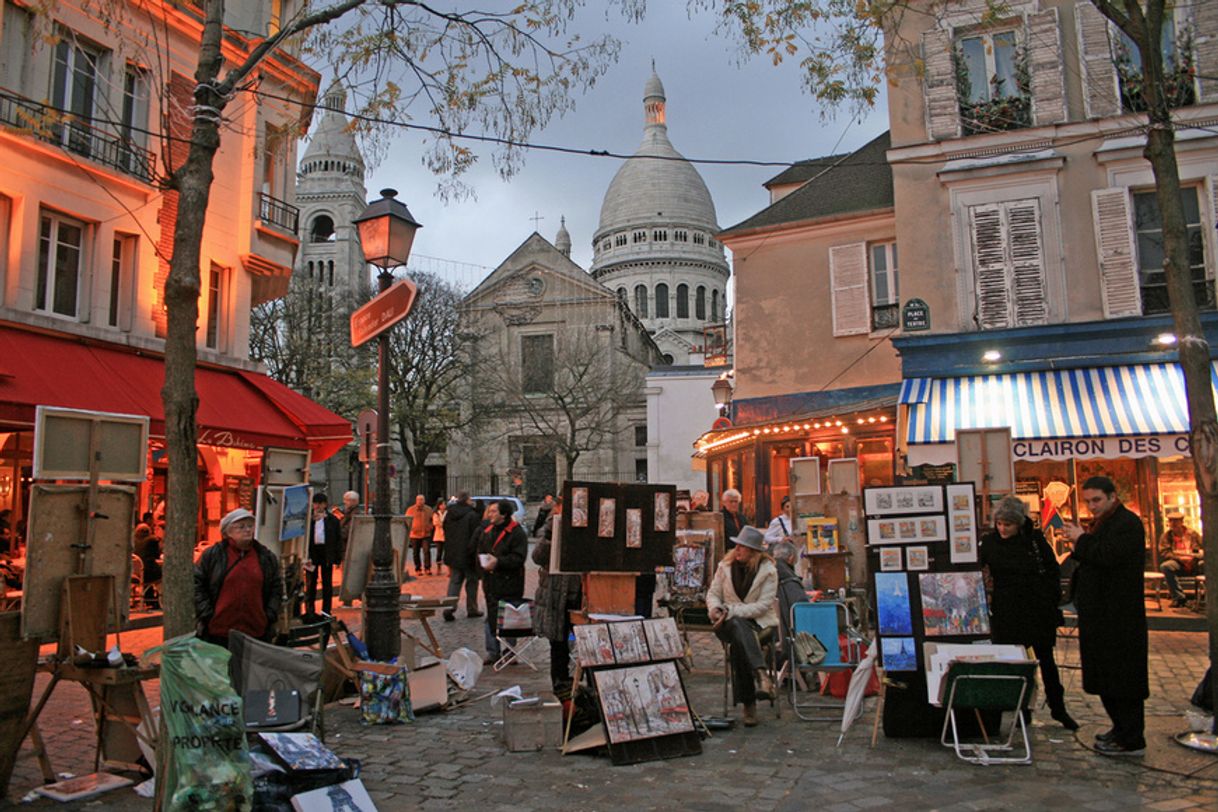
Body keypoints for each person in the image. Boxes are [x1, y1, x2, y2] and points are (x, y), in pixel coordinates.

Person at [1064, 476, 1148, 756]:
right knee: (1105, 677)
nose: (1092, 506)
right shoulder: (1104, 523)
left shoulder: (1127, 524)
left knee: (1123, 679)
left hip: (1119, 617)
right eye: (1088, 501)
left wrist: (1081, 540)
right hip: (1100, 615)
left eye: (1096, 500)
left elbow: (1108, 556)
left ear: (1112, 497)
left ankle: (1131, 736)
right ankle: (1119, 729)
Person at [979, 496, 1077, 730]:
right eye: (1000, 523)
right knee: (1013, 662)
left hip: (1037, 608)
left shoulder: (1034, 540)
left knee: (1046, 661)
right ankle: (1021, 709)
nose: (1003, 529)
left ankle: (1058, 708)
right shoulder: (991, 542)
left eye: (1008, 524)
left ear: (1019, 524)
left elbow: (1052, 569)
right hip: (1007, 609)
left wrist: (1051, 598)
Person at [706, 525, 778, 727]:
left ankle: (749, 704)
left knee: (739, 640)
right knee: (737, 627)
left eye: (742, 547)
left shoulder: (768, 572)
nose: (737, 550)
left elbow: (763, 606)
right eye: (737, 546)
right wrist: (715, 609)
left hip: (759, 624)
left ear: (753, 552)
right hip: (726, 624)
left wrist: (731, 611)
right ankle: (762, 675)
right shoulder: (725, 567)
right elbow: (713, 594)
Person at [194, 508, 283, 648]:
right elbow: (197, 584)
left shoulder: (265, 557)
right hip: (219, 631)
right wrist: (207, 614)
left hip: (255, 630)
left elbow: (276, 587)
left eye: (250, 526)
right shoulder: (213, 556)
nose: (247, 530)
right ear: (227, 531)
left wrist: (269, 615)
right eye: (241, 527)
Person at [532, 497, 581, 697]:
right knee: (558, 642)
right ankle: (560, 683)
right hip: (554, 593)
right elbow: (537, 557)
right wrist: (551, 537)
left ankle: (576, 679)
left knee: (576, 636)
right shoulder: (550, 526)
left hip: (577, 591)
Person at [477, 499, 529, 665]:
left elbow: (518, 558)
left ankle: (509, 651)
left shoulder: (516, 532)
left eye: (493, 511)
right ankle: (492, 651)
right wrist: (482, 563)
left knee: (508, 616)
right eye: (489, 511)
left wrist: (498, 562)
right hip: (491, 581)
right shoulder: (487, 531)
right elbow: (479, 550)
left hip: (509, 581)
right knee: (490, 616)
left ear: (503, 514)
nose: (489, 514)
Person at [442, 492, 484, 621]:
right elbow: (476, 535)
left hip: (454, 553)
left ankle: (449, 607)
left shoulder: (450, 514)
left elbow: (445, 530)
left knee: (455, 581)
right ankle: (472, 608)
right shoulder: (472, 515)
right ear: (467, 500)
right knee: (471, 582)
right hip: (468, 553)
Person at [304, 492, 342, 617]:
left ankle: (326, 611)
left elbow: (337, 539)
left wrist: (337, 557)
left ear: (325, 505)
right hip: (312, 552)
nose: (317, 506)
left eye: (320, 503)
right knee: (311, 583)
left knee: (327, 583)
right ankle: (310, 611)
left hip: (326, 552)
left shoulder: (332, 520)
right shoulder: (309, 519)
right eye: (315, 503)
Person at [771, 539, 808, 667]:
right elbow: (802, 609)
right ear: (791, 558)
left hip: (771, 633)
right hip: (787, 640)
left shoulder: (770, 572)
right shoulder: (788, 579)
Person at [1158, 510, 1203, 606]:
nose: (1173, 524)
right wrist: (1178, 558)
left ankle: (1208, 595)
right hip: (1179, 563)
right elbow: (1164, 551)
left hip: (1194, 562)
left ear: (1181, 522)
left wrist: (1195, 555)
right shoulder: (1167, 536)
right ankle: (1178, 597)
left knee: (1206, 565)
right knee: (1166, 566)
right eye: (1171, 521)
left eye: (1176, 521)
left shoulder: (1193, 534)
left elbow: (1202, 548)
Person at [133, 522, 162, 608]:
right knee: (163, 574)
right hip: (149, 572)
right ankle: (159, 599)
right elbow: (157, 555)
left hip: (137, 573)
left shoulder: (133, 541)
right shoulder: (152, 540)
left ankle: (149, 599)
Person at [405, 494, 434, 576]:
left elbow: (433, 519)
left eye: (422, 500)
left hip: (426, 534)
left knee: (427, 551)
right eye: (419, 500)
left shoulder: (428, 509)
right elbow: (407, 520)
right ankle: (418, 568)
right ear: (416, 500)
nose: (421, 501)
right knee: (415, 552)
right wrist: (411, 529)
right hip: (414, 535)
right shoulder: (410, 510)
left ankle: (427, 568)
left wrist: (430, 527)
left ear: (424, 500)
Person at [338, 490, 360, 557]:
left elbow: (347, 531)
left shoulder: (355, 514)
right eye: (344, 499)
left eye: (347, 500)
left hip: (348, 547)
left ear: (354, 501)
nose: (344, 502)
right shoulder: (345, 513)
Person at [432, 498, 448, 577]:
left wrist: (442, 523)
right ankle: (439, 568)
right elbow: (435, 523)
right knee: (439, 552)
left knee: (447, 551)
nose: (443, 506)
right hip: (438, 535)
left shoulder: (447, 513)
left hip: (446, 535)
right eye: (441, 504)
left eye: (444, 504)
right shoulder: (436, 513)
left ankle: (449, 569)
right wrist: (442, 523)